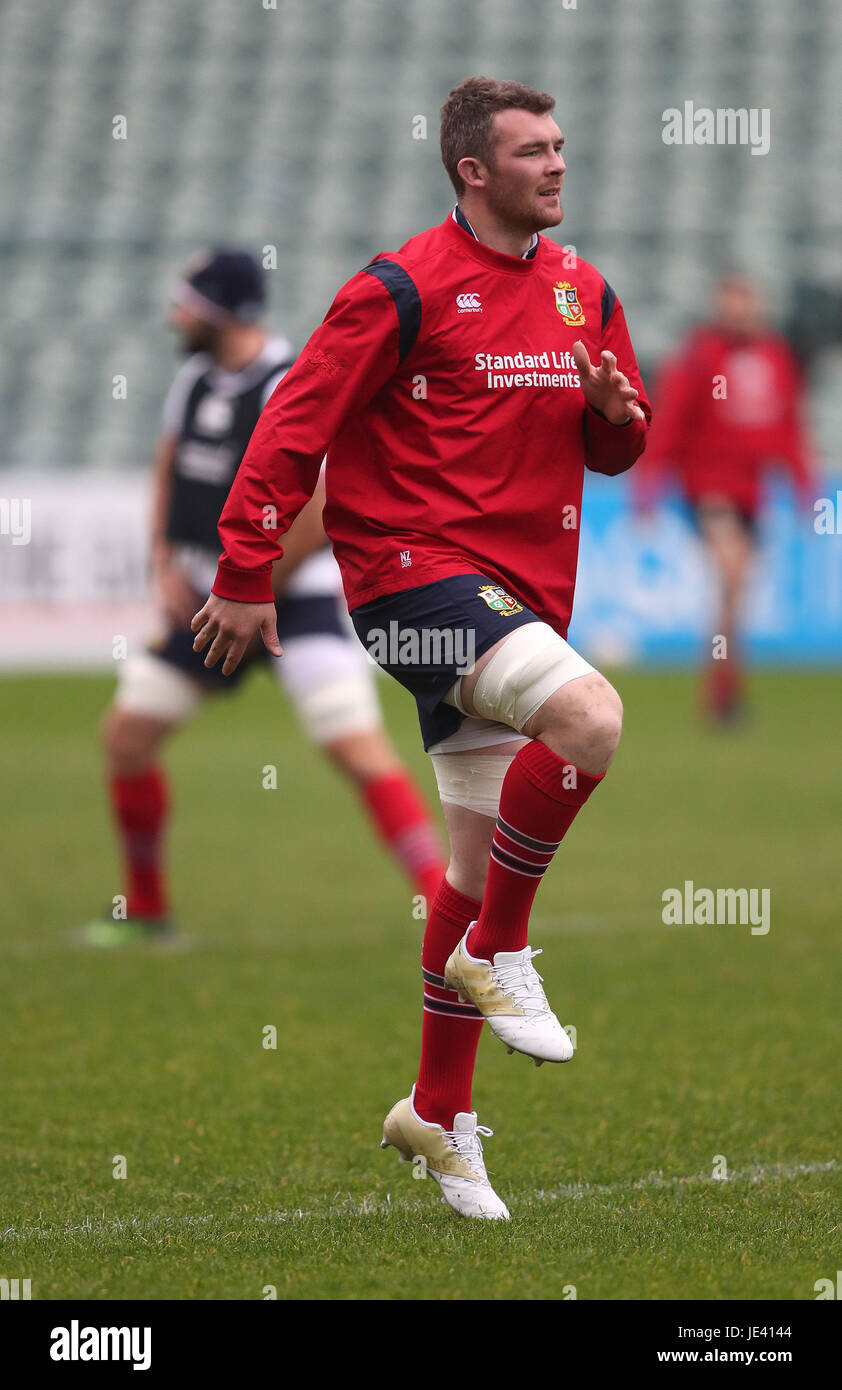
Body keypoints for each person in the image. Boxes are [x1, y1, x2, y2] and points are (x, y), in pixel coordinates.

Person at [191, 81, 651, 1219]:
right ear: (470, 172)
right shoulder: (398, 288)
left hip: (516, 597)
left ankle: (436, 1115)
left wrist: (614, 418)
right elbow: (292, 424)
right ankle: (500, 949)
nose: (554, 164)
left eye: (558, 147)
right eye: (530, 152)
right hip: (409, 583)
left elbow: (610, 450)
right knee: (590, 719)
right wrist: (246, 570)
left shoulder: (582, 290)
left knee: (465, 863)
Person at [78, 248, 445, 947]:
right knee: (127, 738)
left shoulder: (290, 379)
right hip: (215, 601)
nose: (174, 315)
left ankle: (446, 912)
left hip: (291, 600)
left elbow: (319, 496)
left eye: (187, 301)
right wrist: (162, 560)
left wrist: (250, 587)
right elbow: (168, 467)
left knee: (357, 748)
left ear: (219, 310)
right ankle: (149, 912)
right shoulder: (192, 380)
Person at [635, 274, 814, 720]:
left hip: (753, 492)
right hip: (709, 489)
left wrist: (804, 488)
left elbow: (789, 428)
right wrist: (647, 491)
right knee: (731, 577)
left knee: (734, 596)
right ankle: (723, 690)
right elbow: (670, 425)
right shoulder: (699, 358)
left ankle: (724, 687)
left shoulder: (775, 357)